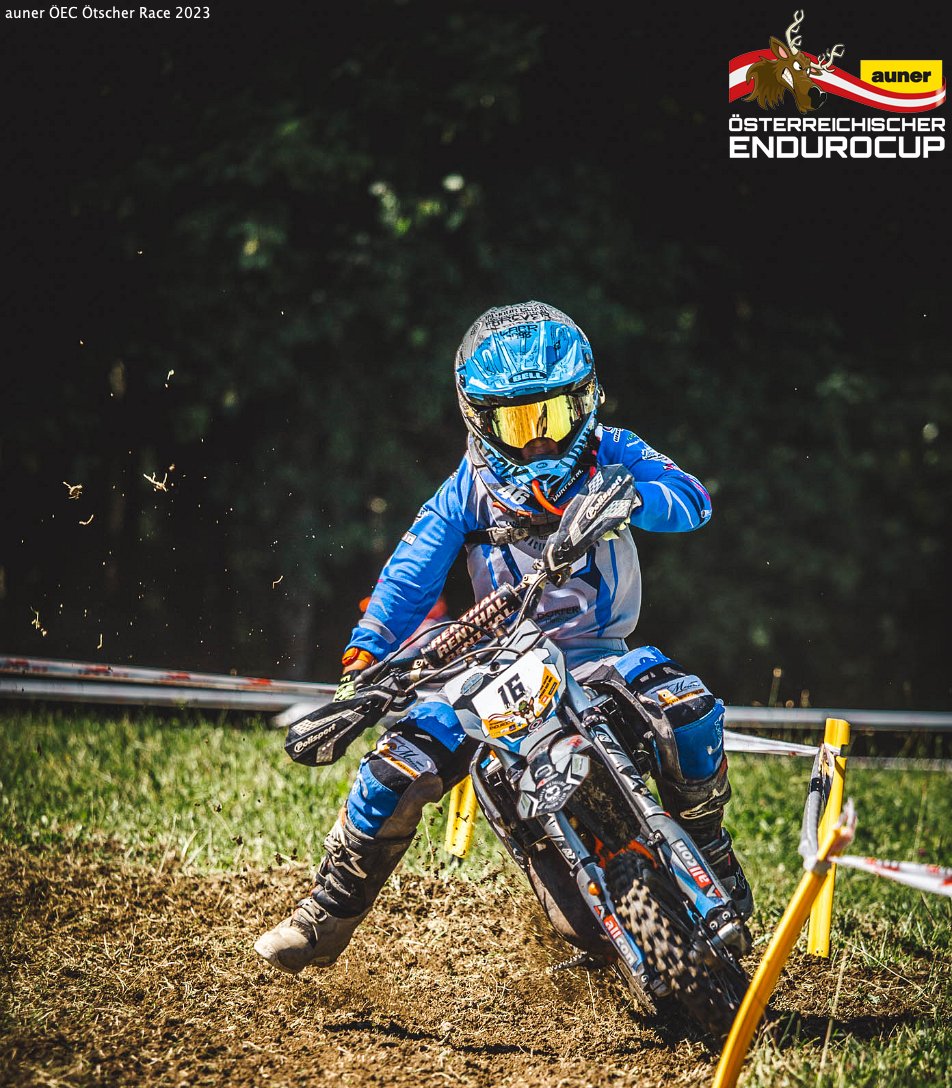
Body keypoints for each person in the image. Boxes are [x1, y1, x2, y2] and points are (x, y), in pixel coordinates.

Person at [255, 301, 752, 975]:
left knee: (688, 711)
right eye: (519, 423)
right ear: (481, 420)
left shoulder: (613, 450)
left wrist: (633, 495)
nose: (540, 441)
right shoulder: (466, 489)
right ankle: (325, 912)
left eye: (554, 416)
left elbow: (693, 500)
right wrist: (364, 662)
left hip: (597, 658)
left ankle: (708, 846)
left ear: (586, 402)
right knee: (393, 770)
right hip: (495, 666)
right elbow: (409, 575)